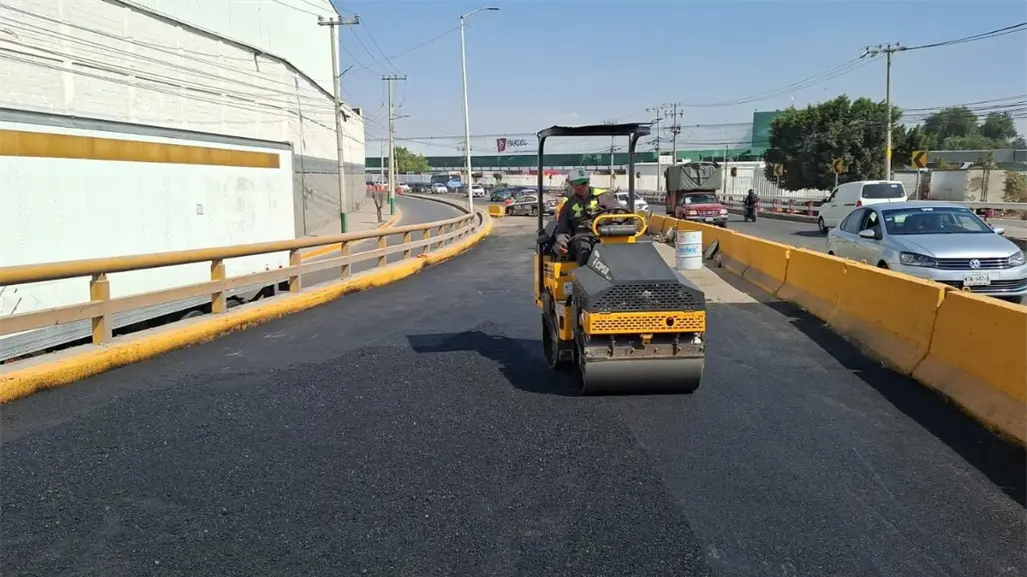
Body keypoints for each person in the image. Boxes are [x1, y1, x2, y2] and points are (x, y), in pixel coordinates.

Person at [553, 168, 620, 258]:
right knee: (584, 249)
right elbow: (562, 230)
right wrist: (562, 243)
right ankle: (584, 266)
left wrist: (607, 218)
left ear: (588, 182)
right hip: (582, 237)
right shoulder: (568, 205)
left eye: (583, 183)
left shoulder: (604, 197)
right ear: (571, 184)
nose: (580, 187)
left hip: (607, 235)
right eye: (576, 184)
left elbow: (621, 213)